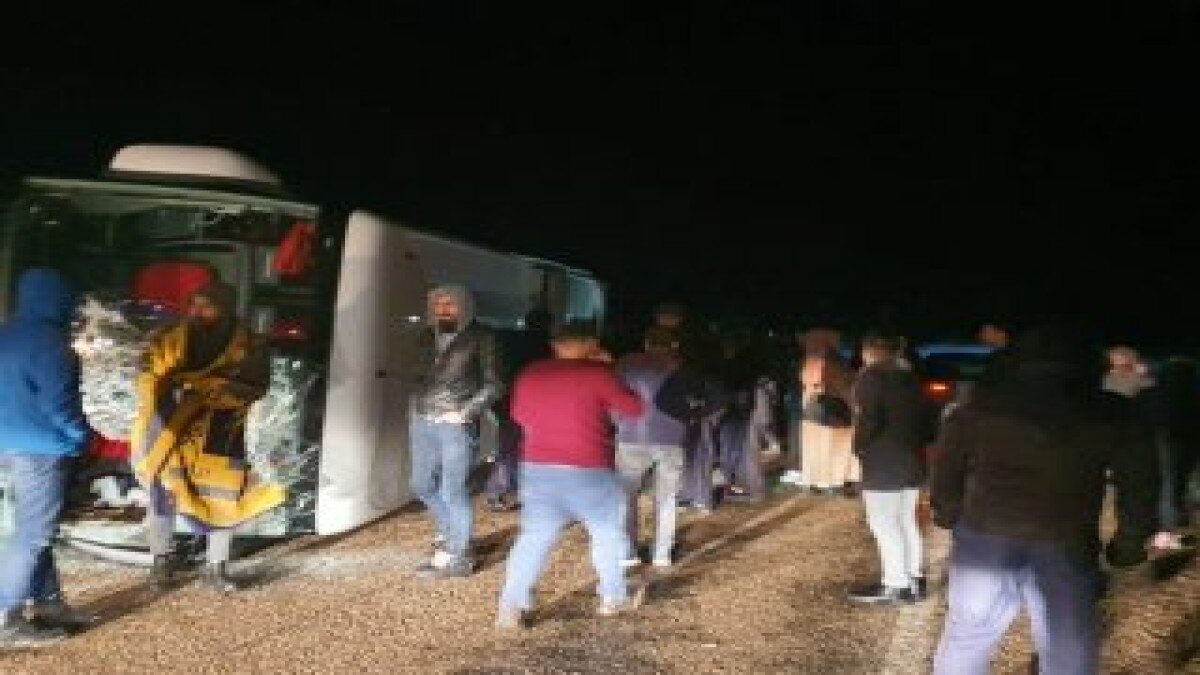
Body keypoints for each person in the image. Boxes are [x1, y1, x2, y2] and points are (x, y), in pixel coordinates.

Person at [930, 325, 1159, 675]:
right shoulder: (1112, 412)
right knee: (1066, 643)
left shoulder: (978, 406)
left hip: (984, 537)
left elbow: (947, 466)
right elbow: (1139, 483)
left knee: (968, 635)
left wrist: (947, 512)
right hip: (1065, 539)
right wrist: (1129, 541)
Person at [131, 281, 281, 593]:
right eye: (194, 305)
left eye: (206, 306)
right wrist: (177, 389)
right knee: (163, 493)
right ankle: (161, 562)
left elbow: (256, 386)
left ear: (225, 309)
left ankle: (216, 567)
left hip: (220, 432)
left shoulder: (250, 346)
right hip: (170, 429)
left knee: (222, 498)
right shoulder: (168, 339)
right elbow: (147, 376)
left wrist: (208, 390)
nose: (197, 312)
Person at [495, 322, 644, 628]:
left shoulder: (531, 373)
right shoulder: (599, 373)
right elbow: (634, 408)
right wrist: (608, 368)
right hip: (589, 467)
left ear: (555, 345)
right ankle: (613, 597)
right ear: (591, 344)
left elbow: (518, 415)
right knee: (605, 532)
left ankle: (510, 606)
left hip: (538, 467)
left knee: (534, 537)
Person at [0, 269, 94, 649]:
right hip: (41, 449)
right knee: (33, 534)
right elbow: (59, 404)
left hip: (6, 445)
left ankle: (48, 603)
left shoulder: (6, 335)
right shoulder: (50, 343)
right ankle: (6, 617)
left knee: (33, 529)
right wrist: (80, 437)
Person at [409, 284, 504, 578]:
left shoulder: (482, 337)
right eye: (438, 304)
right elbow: (418, 376)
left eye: (450, 304)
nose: (443, 309)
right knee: (421, 485)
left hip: (456, 424)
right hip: (423, 419)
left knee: (452, 489)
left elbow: (495, 384)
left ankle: (458, 556)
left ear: (465, 306)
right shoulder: (426, 336)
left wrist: (465, 412)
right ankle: (451, 532)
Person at [847, 336, 931, 605]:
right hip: (911, 458)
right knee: (906, 520)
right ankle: (914, 578)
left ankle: (896, 584)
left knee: (884, 522)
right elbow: (929, 421)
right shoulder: (911, 378)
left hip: (884, 461)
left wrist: (859, 447)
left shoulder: (871, 378)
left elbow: (868, 419)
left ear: (869, 352)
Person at [615, 326, 689, 568]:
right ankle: (661, 554)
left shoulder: (627, 364)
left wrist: (617, 424)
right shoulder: (680, 365)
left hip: (631, 434)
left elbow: (614, 399)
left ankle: (627, 552)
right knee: (667, 498)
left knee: (626, 497)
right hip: (672, 437)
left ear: (646, 343)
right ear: (673, 345)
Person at [485, 308, 551, 511]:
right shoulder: (545, 347)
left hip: (505, 400)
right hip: (531, 402)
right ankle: (513, 490)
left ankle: (499, 491)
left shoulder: (509, 339)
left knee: (508, 446)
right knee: (527, 449)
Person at [797, 330, 858, 495]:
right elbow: (843, 388)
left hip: (812, 409)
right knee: (836, 447)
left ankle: (815, 481)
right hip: (832, 410)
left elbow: (808, 386)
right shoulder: (836, 363)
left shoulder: (809, 361)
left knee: (815, 447)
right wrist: (854, 407)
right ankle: (834, 482)